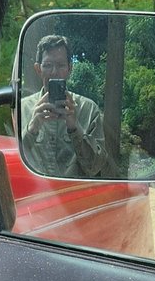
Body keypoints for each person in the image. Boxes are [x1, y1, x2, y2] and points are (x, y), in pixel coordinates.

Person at [19, 33, 107, 179]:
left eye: (60, 65)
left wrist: (75, 127)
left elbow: (95, 167)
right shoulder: (22, 109)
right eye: (47, 65)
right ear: (38, 69)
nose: (54, 72)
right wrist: (32, 128)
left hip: (74, 197)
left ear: (69, 69)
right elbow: (11, 161)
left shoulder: (89, 109)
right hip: (35, 196)